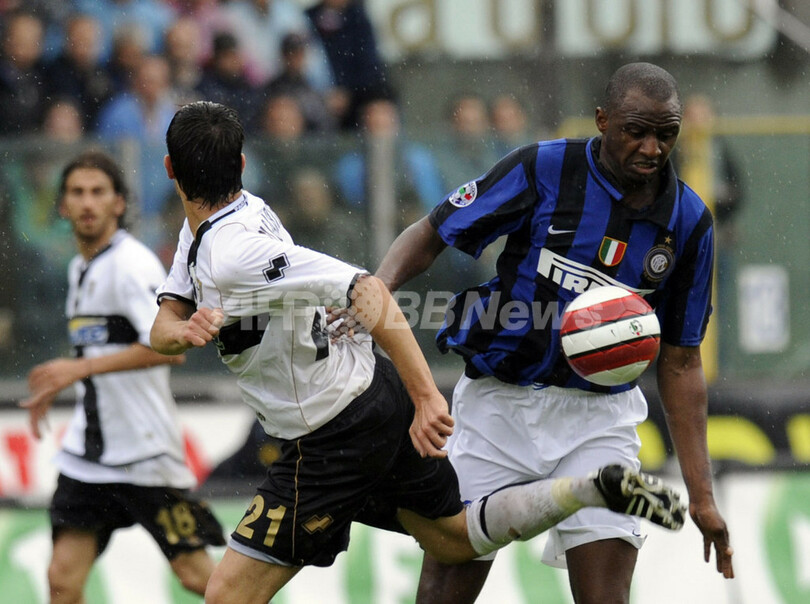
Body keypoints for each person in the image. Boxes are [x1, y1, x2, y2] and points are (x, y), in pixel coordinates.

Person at [150, 101, 686, 603]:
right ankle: (587, 490)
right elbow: (162, 327)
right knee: (455, 540)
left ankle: (587, 490)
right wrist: (184, 331)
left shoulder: (234, 252)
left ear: (170, 169)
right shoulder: (222, 222)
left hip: (328, 434)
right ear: (242, 165)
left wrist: (428, 396)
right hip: (369, 399)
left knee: (225, 595)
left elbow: (369, 290)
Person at [373, 62, 735, 604]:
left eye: (666, 134)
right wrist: (377, 288)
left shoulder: (688, 222)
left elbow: (681, 362)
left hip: (599, 420)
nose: (652, 148)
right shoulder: (545, 168)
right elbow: (434, 231)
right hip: (498, 409)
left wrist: (701, 497)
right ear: (602, 120)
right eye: (636, 131)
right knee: (443, 593)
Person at [19, 150, 225, 604]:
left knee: (199, 579)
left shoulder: (132, 265)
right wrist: (64, 378)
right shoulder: (80, 267)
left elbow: (170, 349)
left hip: (144, 452)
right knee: (61, 580)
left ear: (118, 203)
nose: (87, 202)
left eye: (98, 192)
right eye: (77, 192)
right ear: (63, 206)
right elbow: (100, 346)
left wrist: (80, 369)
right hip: (88, 456)